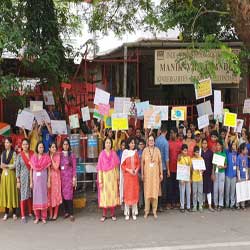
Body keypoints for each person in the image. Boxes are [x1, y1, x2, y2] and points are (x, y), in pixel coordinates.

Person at [97, 137, 120, 222]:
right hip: (105, 178)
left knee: (113, 195)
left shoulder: (114, 154)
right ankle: (104, 214)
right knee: (105, 196)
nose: (108, 144)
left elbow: (117, 168)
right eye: (106, 142)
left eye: (109, 143)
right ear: (104, 144)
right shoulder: (101, 154)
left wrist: (118, 179)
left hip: (113, 178)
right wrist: (100, 181)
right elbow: (99, 169)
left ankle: (113, 214)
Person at [141, 135, 163, 219]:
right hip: (147, 176)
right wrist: (142, 174)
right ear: (147, 141)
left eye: (152, 140)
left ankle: (154, 211)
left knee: (154, 193)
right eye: (149, 140)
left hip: (155, 176)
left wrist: (161, 173)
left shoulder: (157, 150)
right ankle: (146, 211)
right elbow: (142, 163)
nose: (151, 142)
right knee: (147, 193)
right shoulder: (145, 151)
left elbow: (160, 162)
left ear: (154, 141)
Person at [30, 142, 51, 224]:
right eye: (39, 147)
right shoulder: (33, 157)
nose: (41, 148)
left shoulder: (46, 157)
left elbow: (49, 170)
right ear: (37, 148)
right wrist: (31, 182)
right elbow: (31, 171)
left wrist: (48, 181)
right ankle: (37, 217)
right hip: (35, 182)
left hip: (43, 181)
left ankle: (43, 217)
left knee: (43, 197)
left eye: (42, 147)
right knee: (35, 198)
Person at [121, 137, 140, 220]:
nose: (133, 144)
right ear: (128, 144)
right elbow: (122, 165)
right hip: (128, 177)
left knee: (134, 193)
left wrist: (136, 170)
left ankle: (134, 212)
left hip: (134, 176)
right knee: (128, 193)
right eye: (131, 143)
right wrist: (128, 170)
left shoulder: (135, 153)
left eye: (133, 143)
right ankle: (127, 212)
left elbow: (138, 164)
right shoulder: (125, 153)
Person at [0, 137, 19, 221]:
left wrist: (7, 166)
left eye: (8, 143)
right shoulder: (3, 153)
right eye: (5, 143)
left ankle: (14, 212)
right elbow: (1, 164)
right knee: (6, 193)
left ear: (11, 144)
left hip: (11, 175)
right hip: (4, 175)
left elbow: (15, 165)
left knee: (12, 192)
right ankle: (6, 213)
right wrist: (2, 166)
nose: (6, 144)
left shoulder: (14, 153)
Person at [16, 138, 33, 223]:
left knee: (30, 195)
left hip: (31, 177)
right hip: (23, 178)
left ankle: (30, 212)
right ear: (21, 146)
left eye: (26, 144)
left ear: (28, 145)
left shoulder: (32, 153)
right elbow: (17, 168)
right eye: (24, 144)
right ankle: (23, 215)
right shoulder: (19, 155)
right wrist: (18, 180)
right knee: (23, 196)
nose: (25, 146)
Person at [60, 138, 77, 222]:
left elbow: (74, 168)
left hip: (69, 178)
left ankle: (71, 213)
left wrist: (74, 178)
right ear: (62, 146)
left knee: (69, 196)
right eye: (64, 144)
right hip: (62, 178)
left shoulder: (72, 155)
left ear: (69, 145)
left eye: (67, 144)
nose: (65, 146)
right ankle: (65, 212)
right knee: (63, 196)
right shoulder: (60, 155)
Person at [155, 124, 170, 211]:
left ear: (160, 131)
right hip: (163, 167)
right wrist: (168, 169)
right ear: (166, 132)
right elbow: (167, 158)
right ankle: (160, 205)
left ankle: (156, 204)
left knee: (157, 186)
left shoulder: (156, 140)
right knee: (162, 187)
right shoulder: (165, 142)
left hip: (156, 167)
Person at [167, 127, 182, 209]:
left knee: (177, 186)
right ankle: (170, 202)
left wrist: (180, 155)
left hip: (178, 169)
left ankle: (176, 202)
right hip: (170, 168)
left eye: (172, 132)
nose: (171, 134)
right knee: (170, 186)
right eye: (170, 133)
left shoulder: (180, 143)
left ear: (176, 134)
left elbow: (183, 153)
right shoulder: (168, 143)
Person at [48, 142, 62, 220]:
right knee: (49, 195)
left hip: (56, 177)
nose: (54, 148)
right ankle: (50, 213)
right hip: (49, 177)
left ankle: (55, 214)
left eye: (55, 147)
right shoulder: (46, 155)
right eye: (52, 147)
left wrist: (51, 158)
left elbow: (56, 167)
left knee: (56, 194)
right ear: (49, 148)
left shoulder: (57, 155)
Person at [225, 129, 238, 209]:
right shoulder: (228, 152)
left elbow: (237, 140)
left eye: (234, 145)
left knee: (233, 191)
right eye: (232, 145)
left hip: (234, 175)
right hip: (227, 174)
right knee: (227, 190)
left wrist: (236, 132)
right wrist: (228, 130)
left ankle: (232, 204)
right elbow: (226, 141)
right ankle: (227, 204)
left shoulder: (236, 153)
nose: (233, 146)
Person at [212, 141, 227, 211]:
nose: (217, 146)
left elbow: (226, 165)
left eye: (219, 145)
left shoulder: (224, 154)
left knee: (221, 189)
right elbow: (213, 165)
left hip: (222, 173)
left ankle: (220, 204)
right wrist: (213, 174)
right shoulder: (215, 154)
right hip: (216, 173)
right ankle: (215, 204)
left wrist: (222, 167)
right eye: (217, 145)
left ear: (221, 146)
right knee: (215, 189)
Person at [201, 138, 214, 212]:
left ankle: (209, 205)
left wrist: (212, 173)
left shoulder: (210, 152)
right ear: (201, 144)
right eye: (203, 143)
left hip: (208, 173)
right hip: (201, 173)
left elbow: (213, 164)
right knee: (202, 189)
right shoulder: (199, 152)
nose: (204, 144)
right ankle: (202, 204)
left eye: (206, 143)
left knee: (209, 189)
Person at [177, 144, 191, 212]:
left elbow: (190, 168)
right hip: (182, 177)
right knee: (182, 192)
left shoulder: (189, 158)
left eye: (186, 151)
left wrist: (190, 177)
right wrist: (180, 179)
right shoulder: (179, 158)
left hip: (187, 177)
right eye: (184, 151)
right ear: (182, 151)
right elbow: (179, 168)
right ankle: (182, 206)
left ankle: (188, 206)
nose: (186, 152)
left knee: (188, 192)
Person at [191, 146, 204, 212]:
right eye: (196, 152)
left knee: (200, 192)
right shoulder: (192, 159)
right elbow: (191, 169)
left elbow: (203, 169)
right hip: (194, 178)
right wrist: (192, 168)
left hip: (200, 178)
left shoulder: (201, 159)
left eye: (198, 152)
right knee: (194, 193)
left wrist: (201, 170)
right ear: (194, 152)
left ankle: (200, 205)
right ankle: (195, 206)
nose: (197, 153)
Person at [236, 143, 248, 210]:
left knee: (243, 191)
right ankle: (237, 204)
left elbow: (246, 167)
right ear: (242, 150)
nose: (247, 150)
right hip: (240, 177)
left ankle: (243, 205)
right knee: (239, 190)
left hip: (244, 176)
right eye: (246, 149)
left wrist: (247, 176)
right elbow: (237, 167)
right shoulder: (239, 157)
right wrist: (239, 177)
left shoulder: (246, 156)